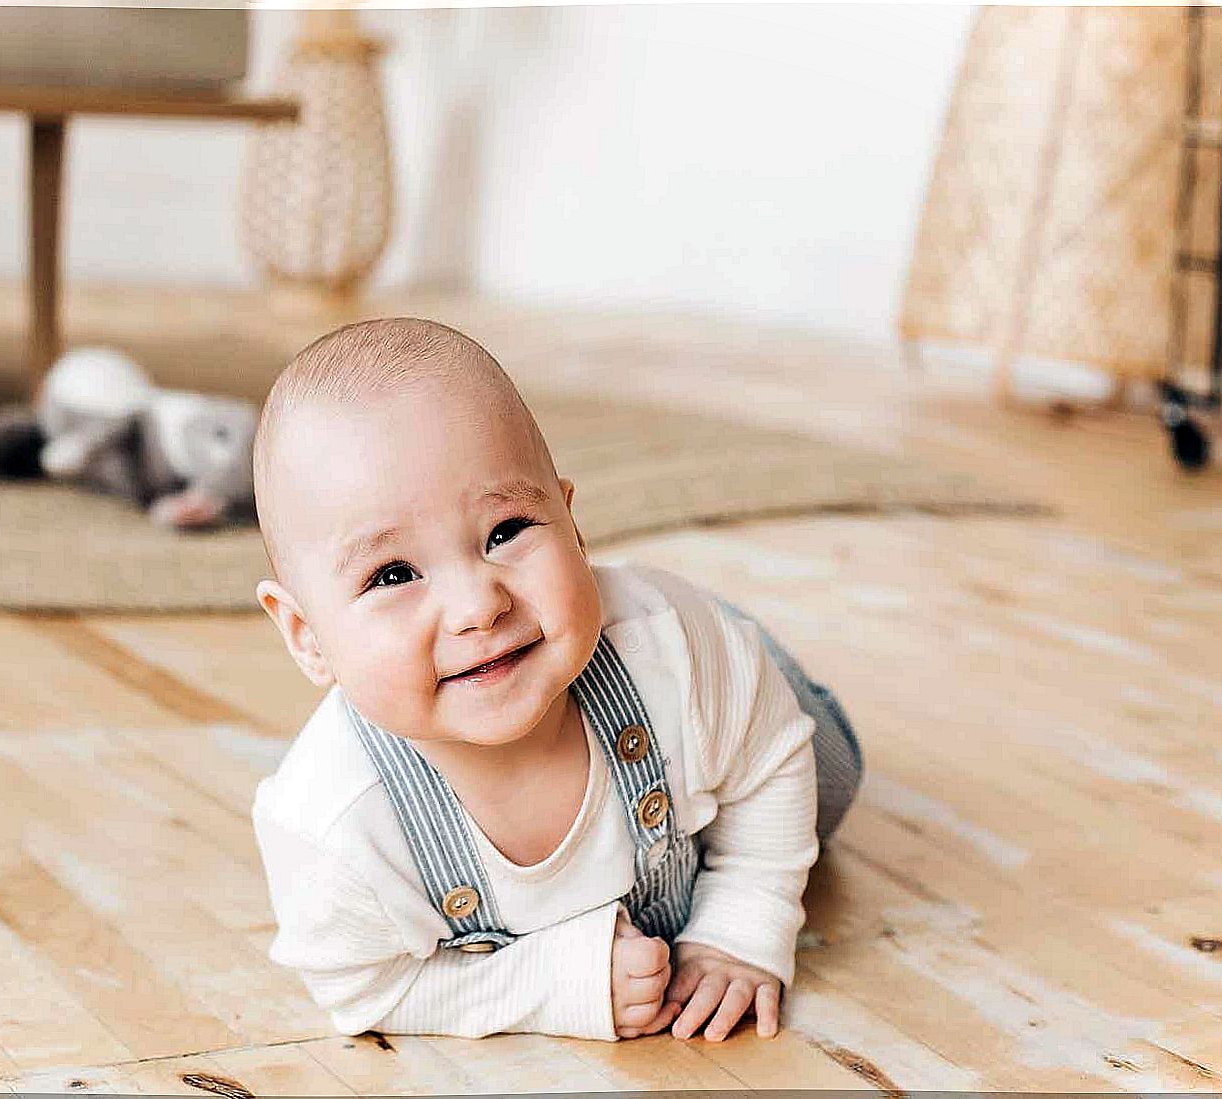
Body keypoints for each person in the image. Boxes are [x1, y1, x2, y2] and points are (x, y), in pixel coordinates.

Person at [250, 317, 862, 1043]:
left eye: (506, 530)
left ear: (572, 524)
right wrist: (556, 984)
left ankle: (745, 655)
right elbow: (365, 991)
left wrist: (740, 927)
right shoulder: (334, 829)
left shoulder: (672, 652)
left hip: (709, 672)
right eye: (393, 574)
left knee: (825, 776)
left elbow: (767, 761)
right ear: (306, 636)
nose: (479, 604)